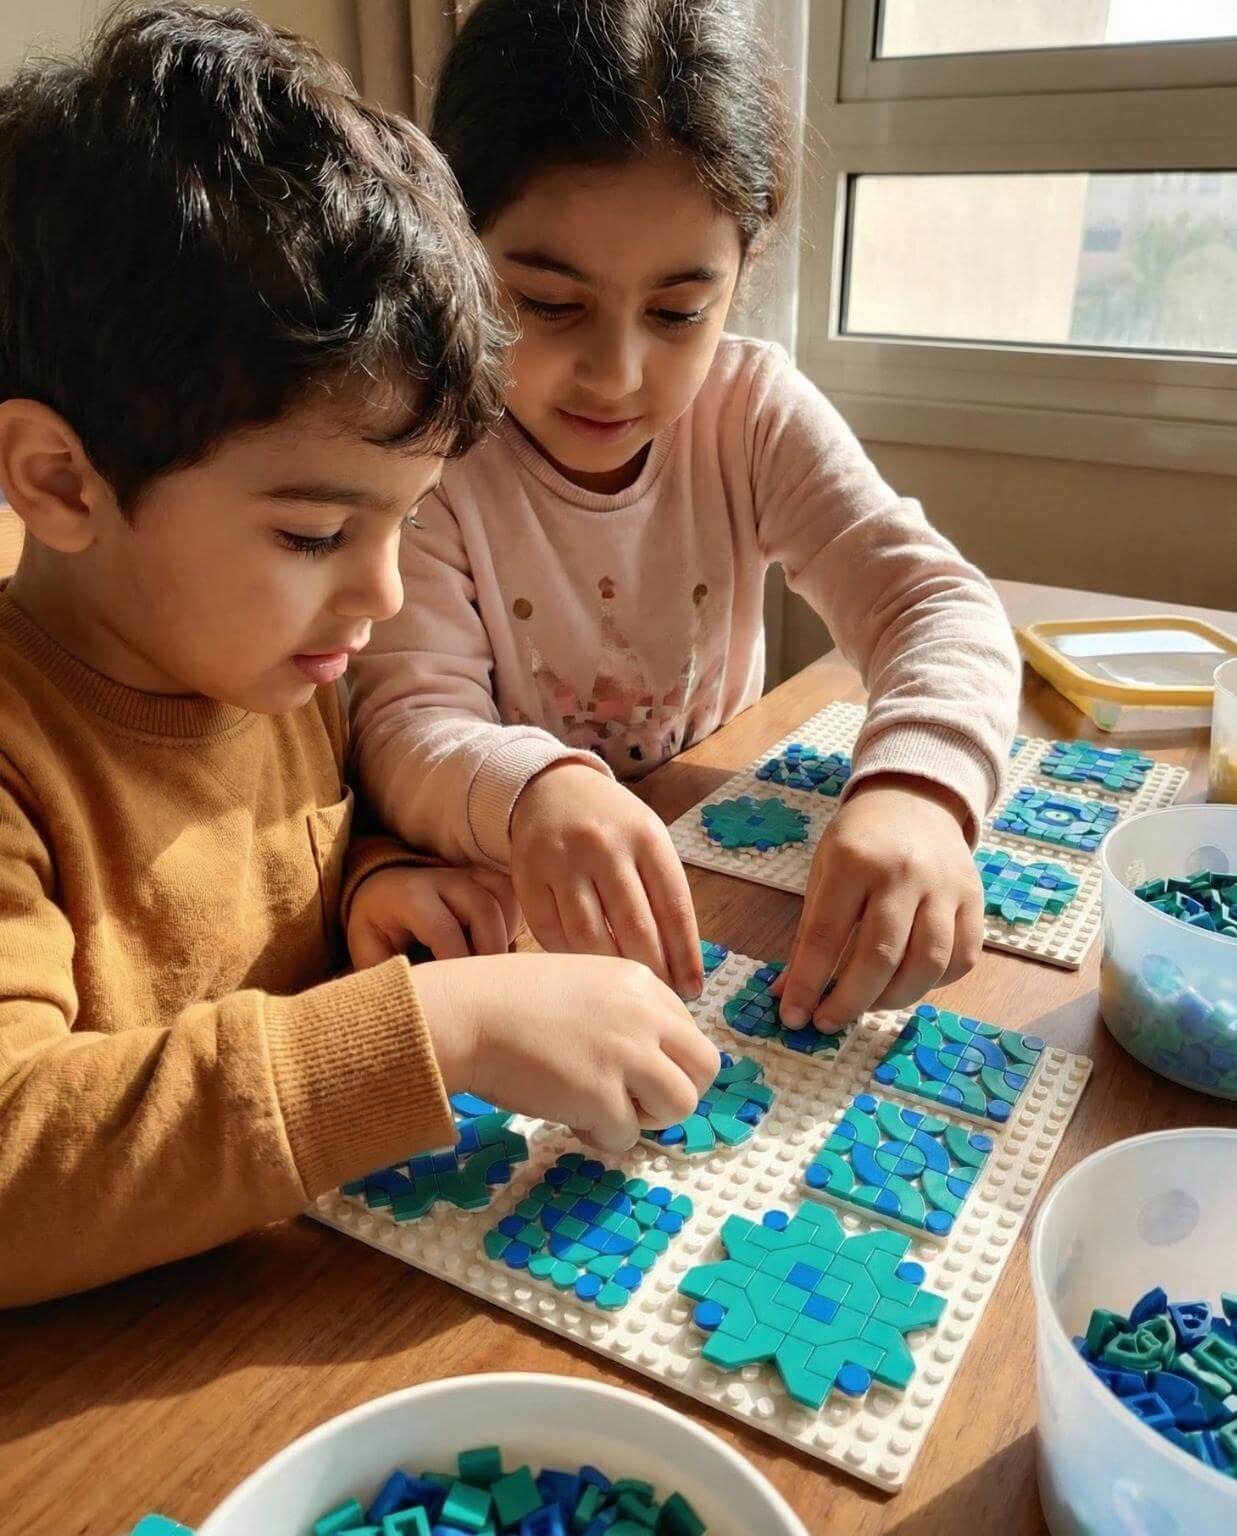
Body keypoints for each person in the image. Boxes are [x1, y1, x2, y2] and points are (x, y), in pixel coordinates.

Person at [0, 1, 716, 1308]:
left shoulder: (257, 665)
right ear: (60, 479)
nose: (380, 594)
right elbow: (15, 1169)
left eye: (406, 522)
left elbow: (269, 886)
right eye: (319, 530)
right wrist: (444, 1031)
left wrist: (373, 886)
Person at [349, 0, 1022, 1037]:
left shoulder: (751, 411)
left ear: (743, 272)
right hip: (523, 924)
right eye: (547, 302)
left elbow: (934, 605)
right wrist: (535, 795)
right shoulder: (431, 454)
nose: (617, 375)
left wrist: (918, 794)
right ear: (455, 246)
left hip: (719, 883)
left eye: (676, 314)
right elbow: (404, 722)